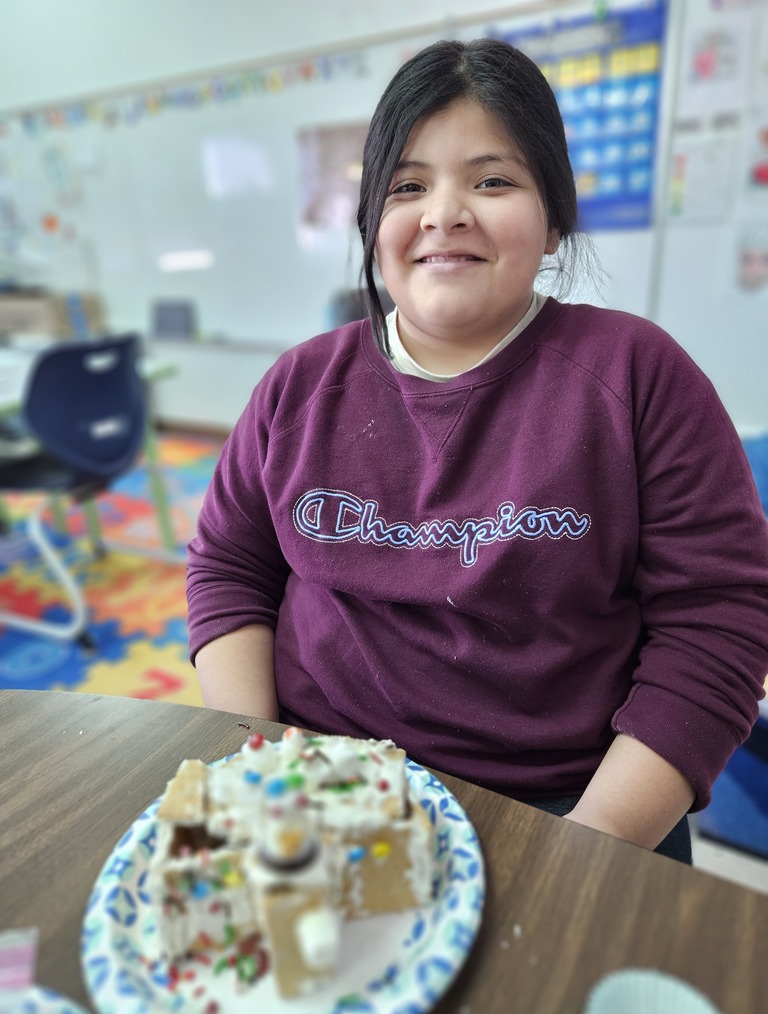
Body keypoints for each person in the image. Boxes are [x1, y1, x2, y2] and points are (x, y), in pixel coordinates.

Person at [186, 38, 768, 863]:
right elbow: (229, 567)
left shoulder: (640, 375)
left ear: (554, 215)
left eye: (492, 180)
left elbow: (717, 625)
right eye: (407, 186)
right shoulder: (299, 386)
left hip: (567, 808)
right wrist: (261, 765)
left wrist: (582, 855)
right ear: (370, 222)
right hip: (321, 782)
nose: (443, 213)